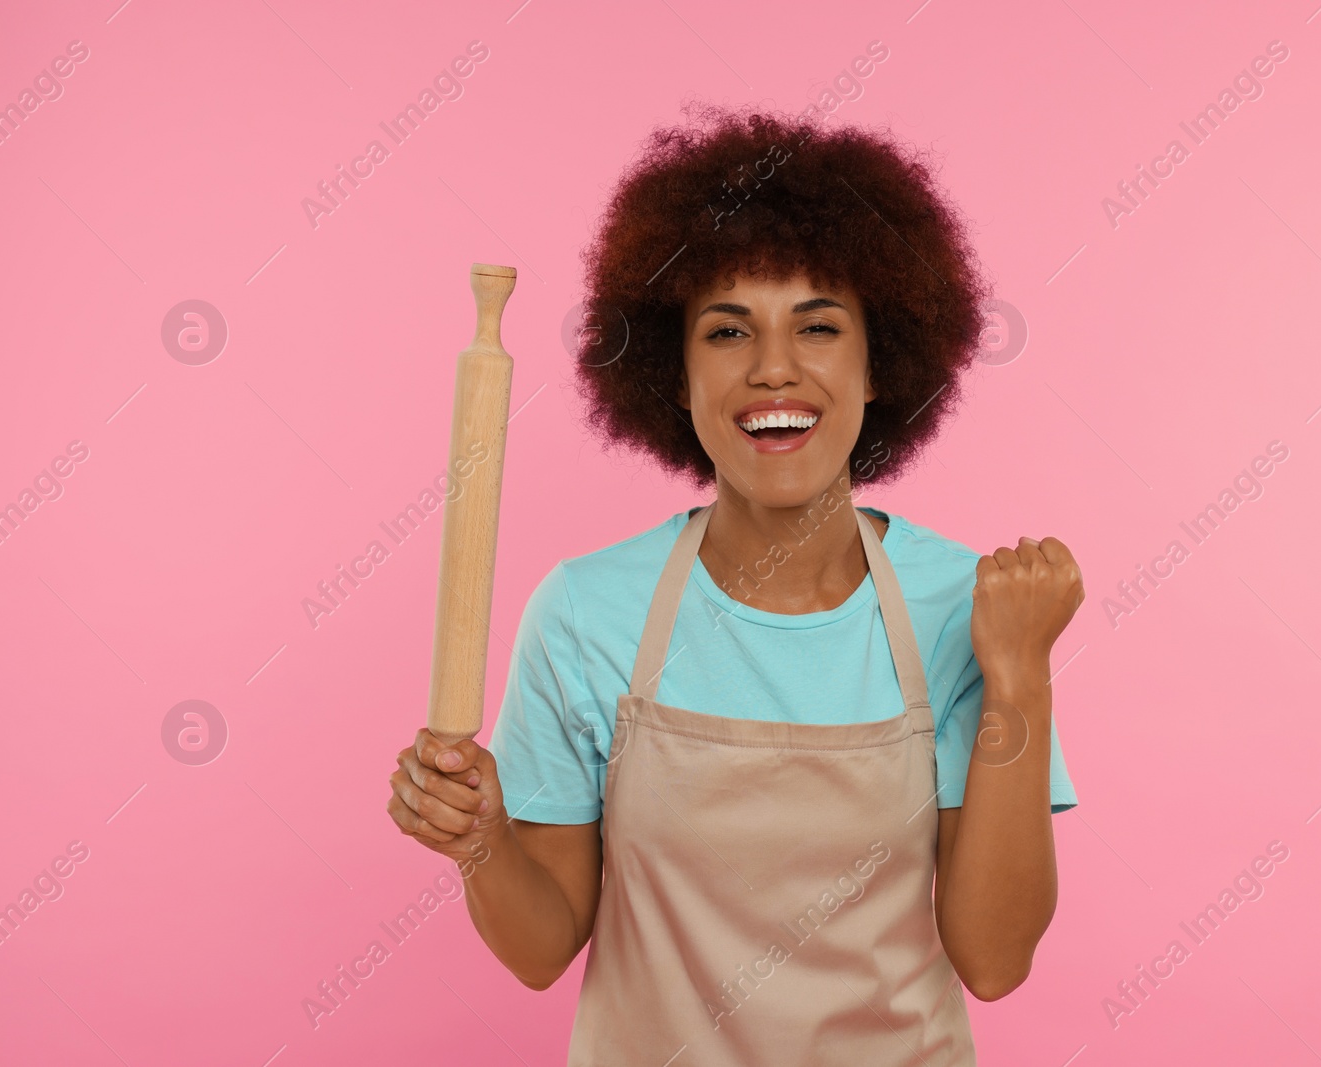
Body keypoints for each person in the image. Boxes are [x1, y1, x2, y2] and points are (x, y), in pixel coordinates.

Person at [387, 103, 1085, 1065]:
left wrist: (1020, 679)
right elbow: (544, 946)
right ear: (672, 374)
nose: (773, 370)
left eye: (818, 326)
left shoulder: (967, 606)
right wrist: (477, 835)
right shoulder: (587, 612)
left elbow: (996, 957)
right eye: (726, 332)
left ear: (879, 361)